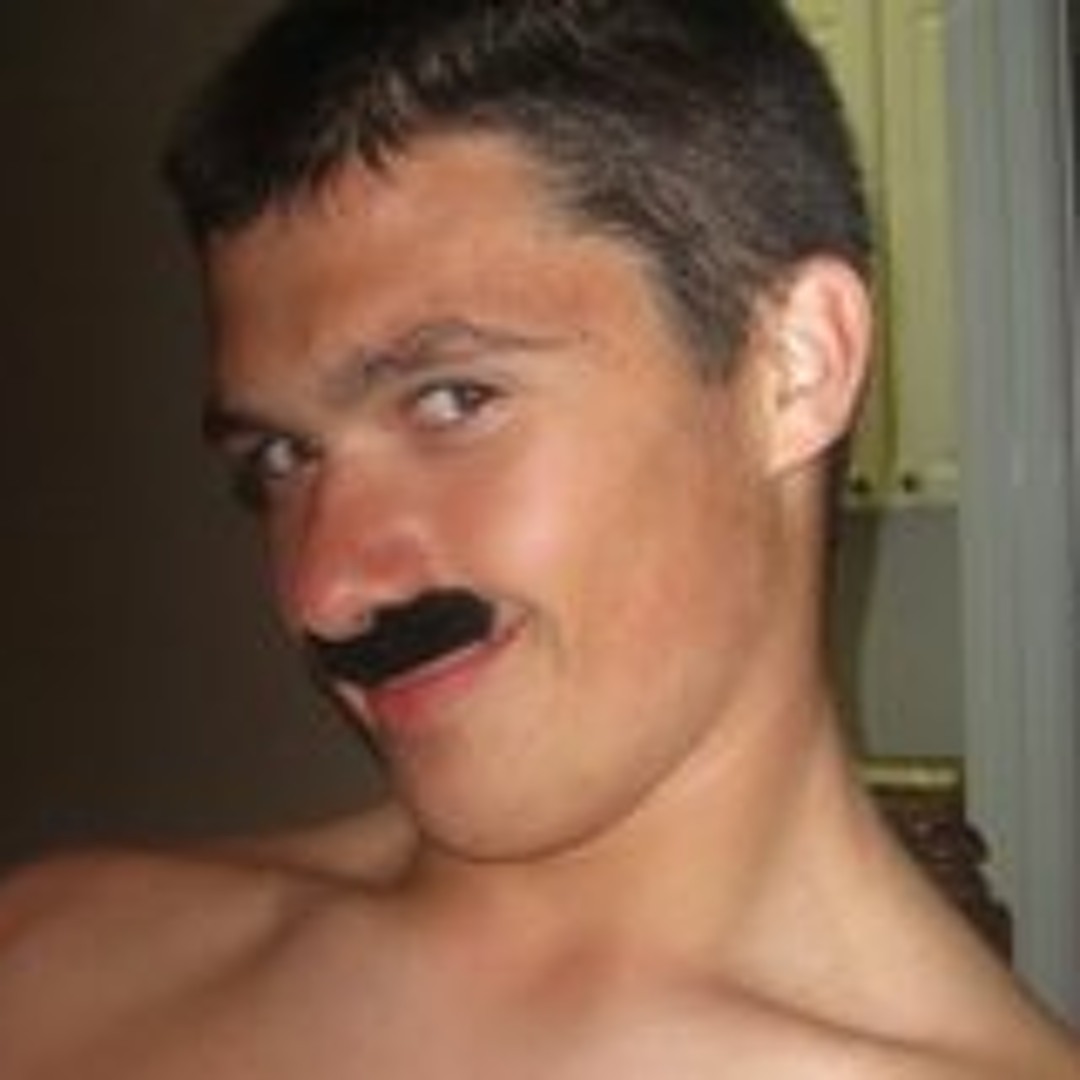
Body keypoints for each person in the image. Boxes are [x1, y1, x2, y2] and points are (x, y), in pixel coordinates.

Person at [0, 1, 1077, 1075]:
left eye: (453, 400)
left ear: (796, 367)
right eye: (281, 459)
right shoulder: (54, 966)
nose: (326, 591)